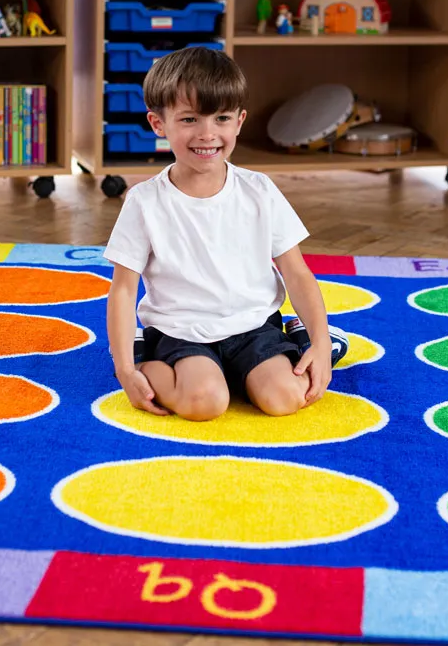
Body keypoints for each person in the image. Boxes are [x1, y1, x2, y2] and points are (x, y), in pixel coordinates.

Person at [104, 47, 347, 421]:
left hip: (254, 327)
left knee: (285, 398)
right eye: (189, 119)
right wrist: (125, 369)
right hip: (180, 332)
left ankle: (295, 340)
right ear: (158, 123)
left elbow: (296, 272)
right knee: (205, 403)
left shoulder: (259, 190)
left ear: (239, 121)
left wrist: (321, 340)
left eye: (221, 118)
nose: (207, 134)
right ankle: (146, 353)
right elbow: (123, 288)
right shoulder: (144, 201)